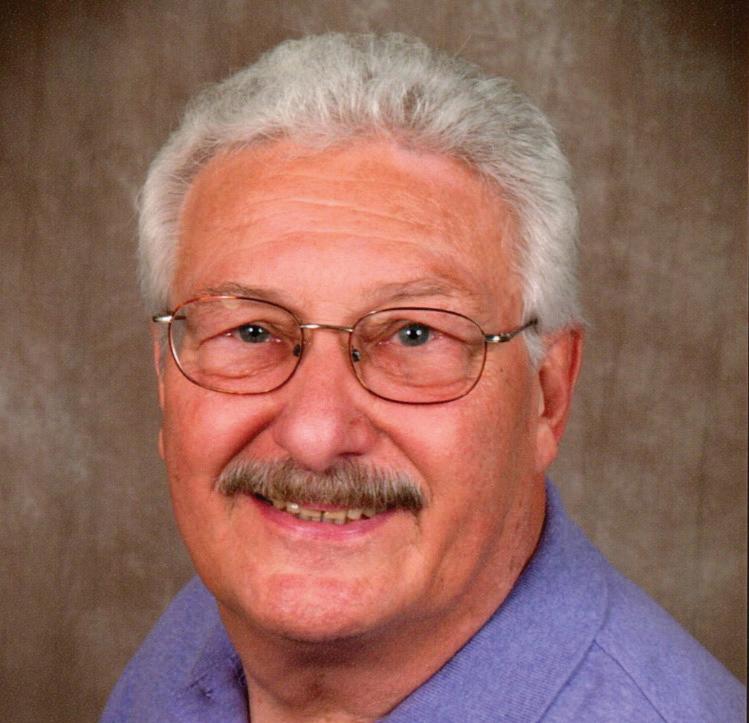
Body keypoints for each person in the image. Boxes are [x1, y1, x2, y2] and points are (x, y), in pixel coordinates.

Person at [101, 33, 745, 722]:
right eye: (252, 331)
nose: (315, 435)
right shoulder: (209, 625)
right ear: (165, 375)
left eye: (414, 334)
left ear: (547, 396)